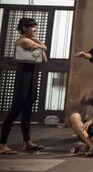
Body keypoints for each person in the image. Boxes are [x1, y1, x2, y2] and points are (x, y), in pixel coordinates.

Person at [0, 18, 47, 154]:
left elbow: (44, 59)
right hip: (24, 78)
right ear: (25, 28)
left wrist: (39, 46)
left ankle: (27, 142)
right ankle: (2, 144)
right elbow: (43, 47)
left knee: (27, 110)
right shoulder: (23, 41)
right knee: (15, 110)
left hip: (32, 76)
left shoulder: (32, 42)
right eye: (33, 27)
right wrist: (40, 45)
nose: (35, 30)